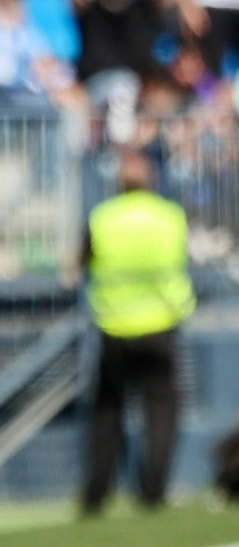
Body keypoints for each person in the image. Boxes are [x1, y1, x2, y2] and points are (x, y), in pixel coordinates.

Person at [80, 150, 194, 514]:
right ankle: (154, 491)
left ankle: (96, 495)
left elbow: (82, 262)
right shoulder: (171, 217)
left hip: (114, 326)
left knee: (107, 413)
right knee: (161, 412)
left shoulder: (102, 218)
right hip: (161, 324)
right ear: (152, 181)